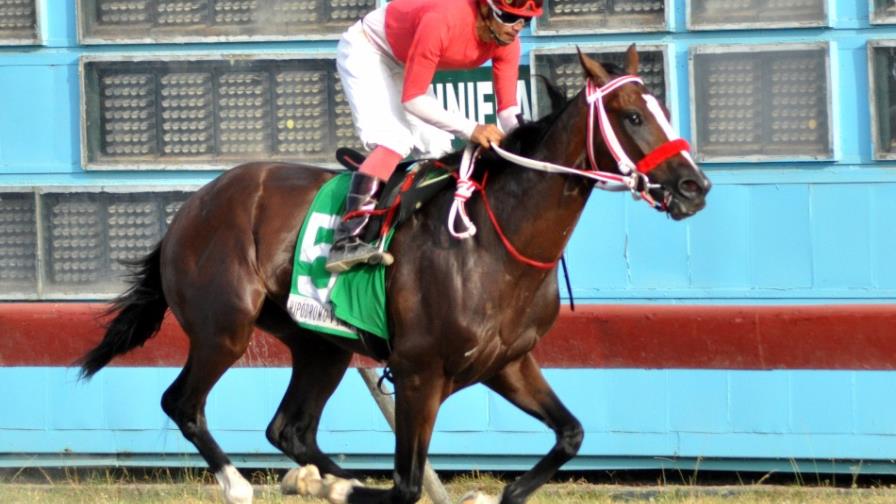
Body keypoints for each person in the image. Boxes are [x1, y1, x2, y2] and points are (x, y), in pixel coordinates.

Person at [325, 0, 543, 273]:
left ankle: (403, 213)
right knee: (394, 140)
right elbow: (414, 100)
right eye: (511, 17)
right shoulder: (443, 19)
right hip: (368, 49)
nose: (518, 27)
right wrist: (473, 129)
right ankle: (346, 240)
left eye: (527, 20)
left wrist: (532, 149)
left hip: (404, 59)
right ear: (487, 9)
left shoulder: (508, 42)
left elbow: (509, 111)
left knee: (439, 149)